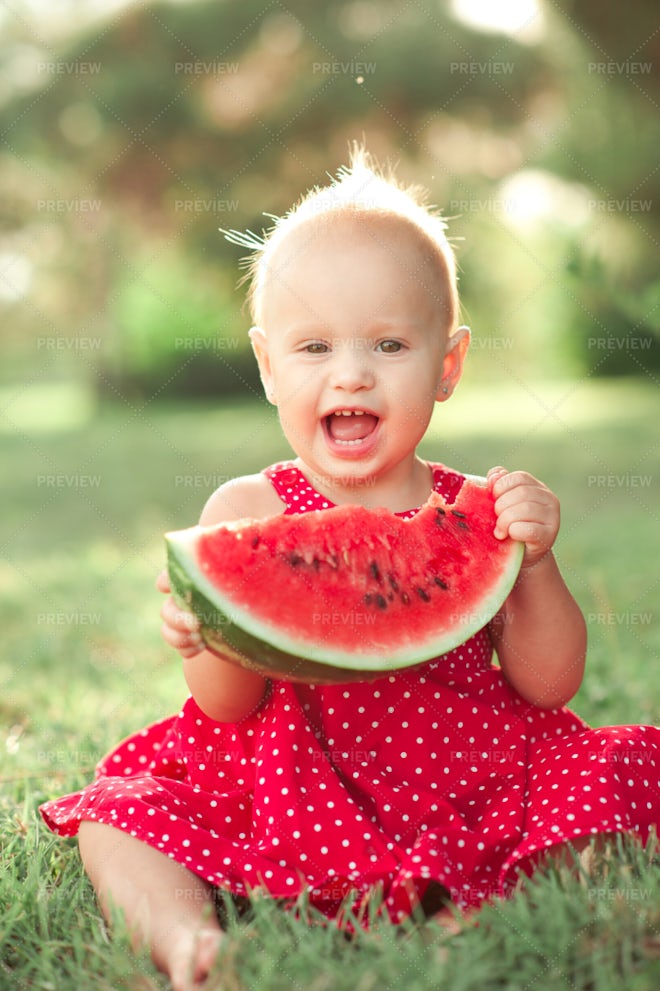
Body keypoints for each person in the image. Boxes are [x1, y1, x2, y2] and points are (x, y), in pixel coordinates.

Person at [40, 148, 659, 990]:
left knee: (620, 765)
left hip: (467, 777)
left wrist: (537, 565)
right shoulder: (247, 509)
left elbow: (550, 685)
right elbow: (226, 705)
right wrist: (204, 634)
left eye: (390, 343)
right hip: (294, 790)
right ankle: (186, 940)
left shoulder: (479, 511)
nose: (352, 372)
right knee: (121, 811)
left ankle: (483, 909)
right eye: (314, 345)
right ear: (268, 365)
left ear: (448, 363)